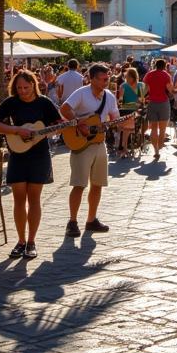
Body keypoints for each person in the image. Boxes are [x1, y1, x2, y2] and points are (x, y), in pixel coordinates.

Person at [0, 69, 61, 258]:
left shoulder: (44, 102)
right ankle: (20, 241)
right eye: (19, 87)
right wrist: (15, 130)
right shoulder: (11, 102)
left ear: (34, 85)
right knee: (19, 199)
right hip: (18, 155)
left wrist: (58, 129)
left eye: (26, 87)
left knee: (34, 199)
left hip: (39, 155)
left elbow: (59, 123)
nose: (22, 91)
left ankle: (31, 241)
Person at [59, 63, 119, 236]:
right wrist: (79, 123)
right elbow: (64, 109)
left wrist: (119, 122)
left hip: (100, 144)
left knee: (98, 184)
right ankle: (72, 221)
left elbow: (114, 117)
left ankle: (91, 220)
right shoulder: (82, 93)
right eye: (102, 79)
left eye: (107, 78)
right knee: (79, 184)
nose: (105, 82)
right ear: (91, 79)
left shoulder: (109, 96)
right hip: (82, 145)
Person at [142, 58, 173, 160]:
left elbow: (144, 89)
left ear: (155, 65)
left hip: (152, 102)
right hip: (163, 102)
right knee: (163, 129)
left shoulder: (149, 74)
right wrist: (176, 90)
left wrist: (141, 98)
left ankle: (156, 150)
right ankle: (160, 146)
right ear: (164, 66)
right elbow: (170, 89)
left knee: (154, 128)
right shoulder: (166, 75)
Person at [116, 67, 144, 157]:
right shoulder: (140, 85)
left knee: (124, 129)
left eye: (127, 76)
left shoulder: (123, 86)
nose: (126, 78)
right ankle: (127, 146)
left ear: (132, 77)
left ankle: (123, 148)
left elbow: (120, 101)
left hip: (126, 111)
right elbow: (140, 101)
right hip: (135, 111)